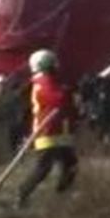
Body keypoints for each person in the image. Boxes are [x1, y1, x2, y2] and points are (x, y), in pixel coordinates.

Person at [17, 49, 78, 206]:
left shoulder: (48, 80)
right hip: (48, 131)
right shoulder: (43, 81)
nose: (56, 66)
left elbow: (66, 107)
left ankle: (61, 193)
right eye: (53, 63)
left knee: (70, 164)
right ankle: (23, 192)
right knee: (44, 168)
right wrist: (68, 92)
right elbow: (56, 99)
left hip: (59, 131)